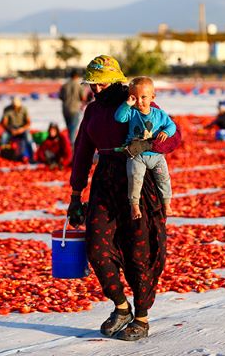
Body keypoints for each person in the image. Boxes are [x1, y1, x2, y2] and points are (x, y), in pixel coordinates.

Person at [67, 55, 181, 341]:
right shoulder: (93, 111)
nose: (96, 89)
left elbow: (174, 136)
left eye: (101, 84)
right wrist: (75, 194)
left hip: (137, 180)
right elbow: (82, 150)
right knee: (96, 247)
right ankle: (121, 307)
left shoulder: (136, 100)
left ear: (115, 81)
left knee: (139, 251)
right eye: (93, 84)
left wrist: (149, 144)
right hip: (105, 181)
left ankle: (141, 317)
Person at [114, 76, 176, 220]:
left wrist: (166, 132)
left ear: (152, 97)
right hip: (137, 155)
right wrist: (127, 104)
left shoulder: (159, 114)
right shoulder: (132, 112)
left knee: (164, 178)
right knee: (135, 178)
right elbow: (119, 117)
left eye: (143, 97)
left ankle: (167, 203)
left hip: (156, 155)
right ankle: (134, 205)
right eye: (134, 98)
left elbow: (171, 125)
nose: (139, 101)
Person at [1, 96, 35, 162]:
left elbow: (28, 122)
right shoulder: (7, 109)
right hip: (11, 128)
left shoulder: (24, 109)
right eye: (14, 106)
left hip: (22, 128)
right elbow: (5, 123)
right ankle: (4, 154)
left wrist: (22, 129)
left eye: (16, 106)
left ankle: (32, 156)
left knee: (29, 139)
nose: (15, 107)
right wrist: (11, 130)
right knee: (4, 138)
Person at [59, 70, 86, 148]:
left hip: (65, 109)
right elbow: (83, 97)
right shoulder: (79, 86)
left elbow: (60, 97)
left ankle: (68, 145)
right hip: (75, 109)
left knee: (69, 129)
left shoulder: (64, 85)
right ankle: (71, 147)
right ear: (77, 76)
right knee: (73, 130)